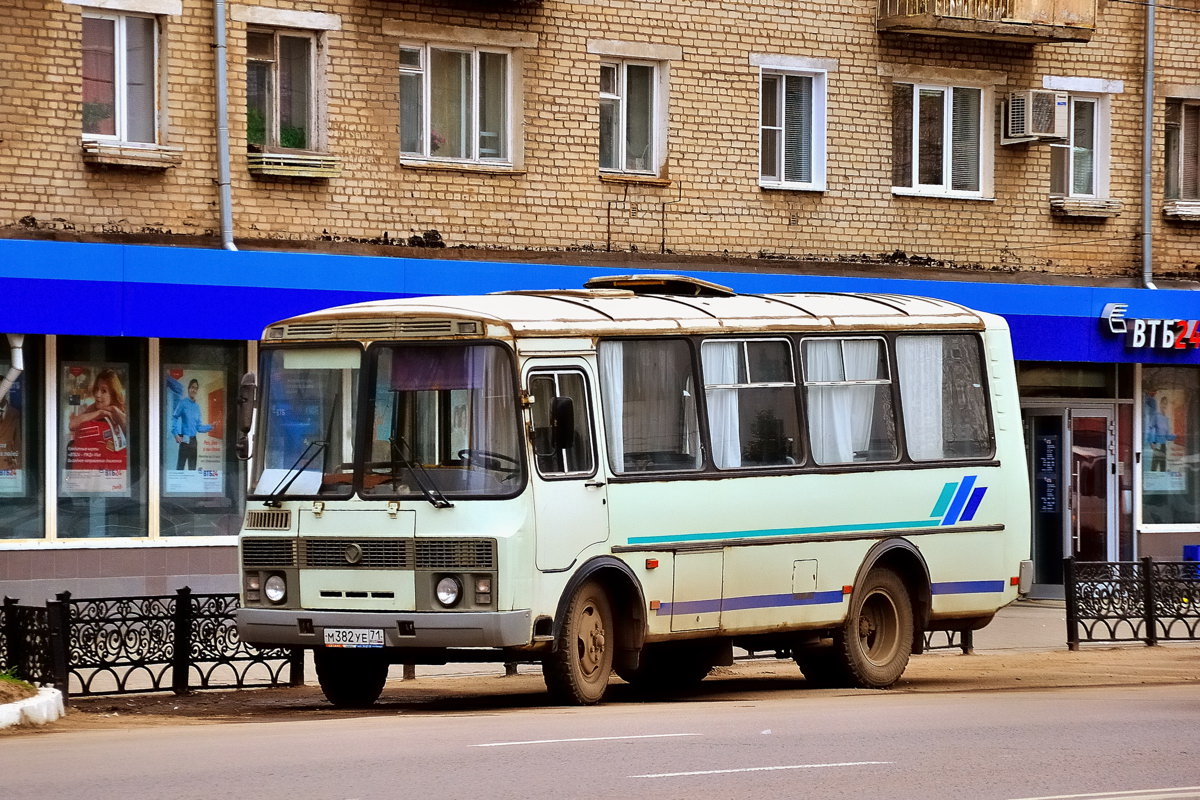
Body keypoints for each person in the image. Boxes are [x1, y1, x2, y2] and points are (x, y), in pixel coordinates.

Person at [67, 368, 129, 469]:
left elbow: (131, 433)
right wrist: (100, 413)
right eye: (96, 389)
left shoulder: (121, 409)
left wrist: (114, 409)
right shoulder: (94, 408)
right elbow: (72, 425)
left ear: (113, 393)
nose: (97, 394)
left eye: (103, 391)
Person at [171, 378, 213, 470]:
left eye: (196, 388)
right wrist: (175, 434)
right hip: (184, 440)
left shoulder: (197, 407)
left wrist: (211, 426)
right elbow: (174, 417)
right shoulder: (182, 403)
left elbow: (199, 427)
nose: (194, 390)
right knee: (180, 468)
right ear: (189, 388)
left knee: (192, 469)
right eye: (192, 387)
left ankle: (190, 484)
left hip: (193, 441)